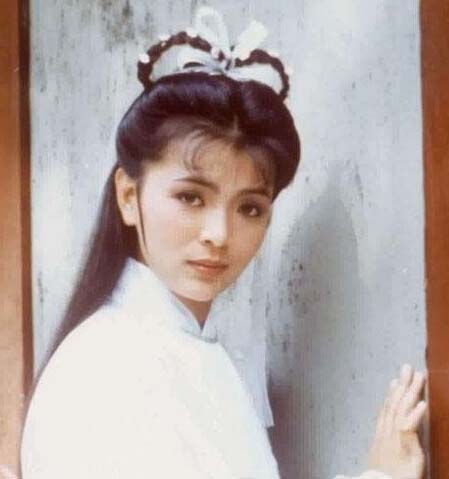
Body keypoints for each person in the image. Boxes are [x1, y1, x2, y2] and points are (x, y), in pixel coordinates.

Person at [20, 7, 427, 479]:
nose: (219, 234)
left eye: (249, 208)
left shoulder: (197, 351)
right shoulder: (104, 368)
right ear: (129, 196)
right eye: (191, 197)